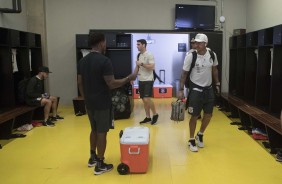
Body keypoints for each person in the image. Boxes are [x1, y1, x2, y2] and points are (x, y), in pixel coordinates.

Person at [77, 32, 137, 175]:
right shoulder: (104, 61)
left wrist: (86, 99)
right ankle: (100, 163)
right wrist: (129, 78)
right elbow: (111, 83)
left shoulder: (82, 61)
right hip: (102, 103)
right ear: (101, 43)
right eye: (104, 42)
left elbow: (79, 82)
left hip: (89, 102)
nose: (106, 45)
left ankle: (92, 157)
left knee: (94, 129)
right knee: (102, 132)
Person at [178, 33, 220, 152]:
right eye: (195, 42)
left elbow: (215, 69)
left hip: (208, 88)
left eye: (199, 43)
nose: (196, 44)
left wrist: (217, 84)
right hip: (196, 89)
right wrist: (181, 89)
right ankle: (191, 139)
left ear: (205, 44)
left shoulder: (212, 55)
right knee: (194, 116)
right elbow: (184, 73)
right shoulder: (191, 56)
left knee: (208, 115)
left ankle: (200, 134)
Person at [135, 39, 159, 125]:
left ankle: (155, 114)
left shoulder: (149, 54)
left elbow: (152, 66)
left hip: (148, 79)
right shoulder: (138, 55)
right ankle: (148, 117)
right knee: (143, 100)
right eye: (137, 44)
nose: (137, 46)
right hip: (140, 79)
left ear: (144, 45)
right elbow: (137, 67)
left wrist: (141, 64)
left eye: (138, 44)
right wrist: (133, 77)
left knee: (147, 98)